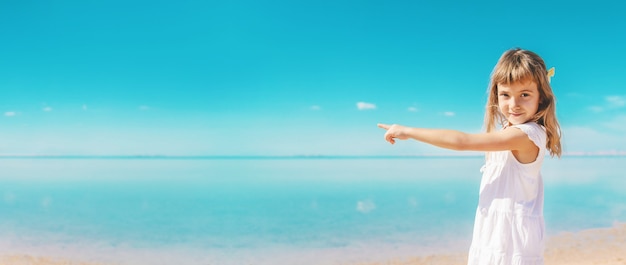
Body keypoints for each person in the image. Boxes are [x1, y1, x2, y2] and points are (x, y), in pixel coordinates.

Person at [378, 48, 561, 265]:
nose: (513, 104)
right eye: (505, 94)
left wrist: (407, 131)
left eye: (524, 94)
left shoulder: (526, 135)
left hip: (510, 242)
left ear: (541, 97)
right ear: (496, 95)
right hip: (494, 235)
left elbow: (462, 142)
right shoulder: (508, 133)